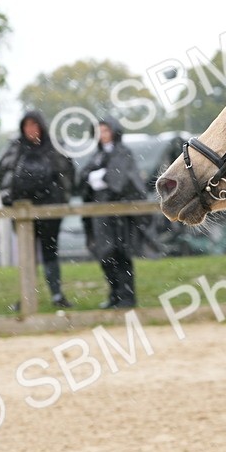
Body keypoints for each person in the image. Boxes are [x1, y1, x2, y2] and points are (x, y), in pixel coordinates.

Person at [0, 111, 75, 308]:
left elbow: (67, 175)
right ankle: (26, 297)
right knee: (27, 255)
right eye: (27, 125)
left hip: (49, 210)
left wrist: (60, 200)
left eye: (34, 125)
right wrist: (9, 198)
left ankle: (56, 295)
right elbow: (4, 174)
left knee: (50, 252)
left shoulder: (53, 148)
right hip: (23, 210)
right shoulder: (15, 149)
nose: (31, 130)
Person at [79, 118, 145, 309]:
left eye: (106, 130)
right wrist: (95, 177)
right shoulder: (97, 155)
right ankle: (114, 294)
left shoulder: (123, 152)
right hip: (100, 214)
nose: (102, 135)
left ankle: (127, 297)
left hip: (120, 214)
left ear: (114, 131)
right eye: (99, 131)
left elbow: (121, 179)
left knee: (121, 254)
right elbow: (83, 177)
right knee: (105, 254)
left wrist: (103, 178)